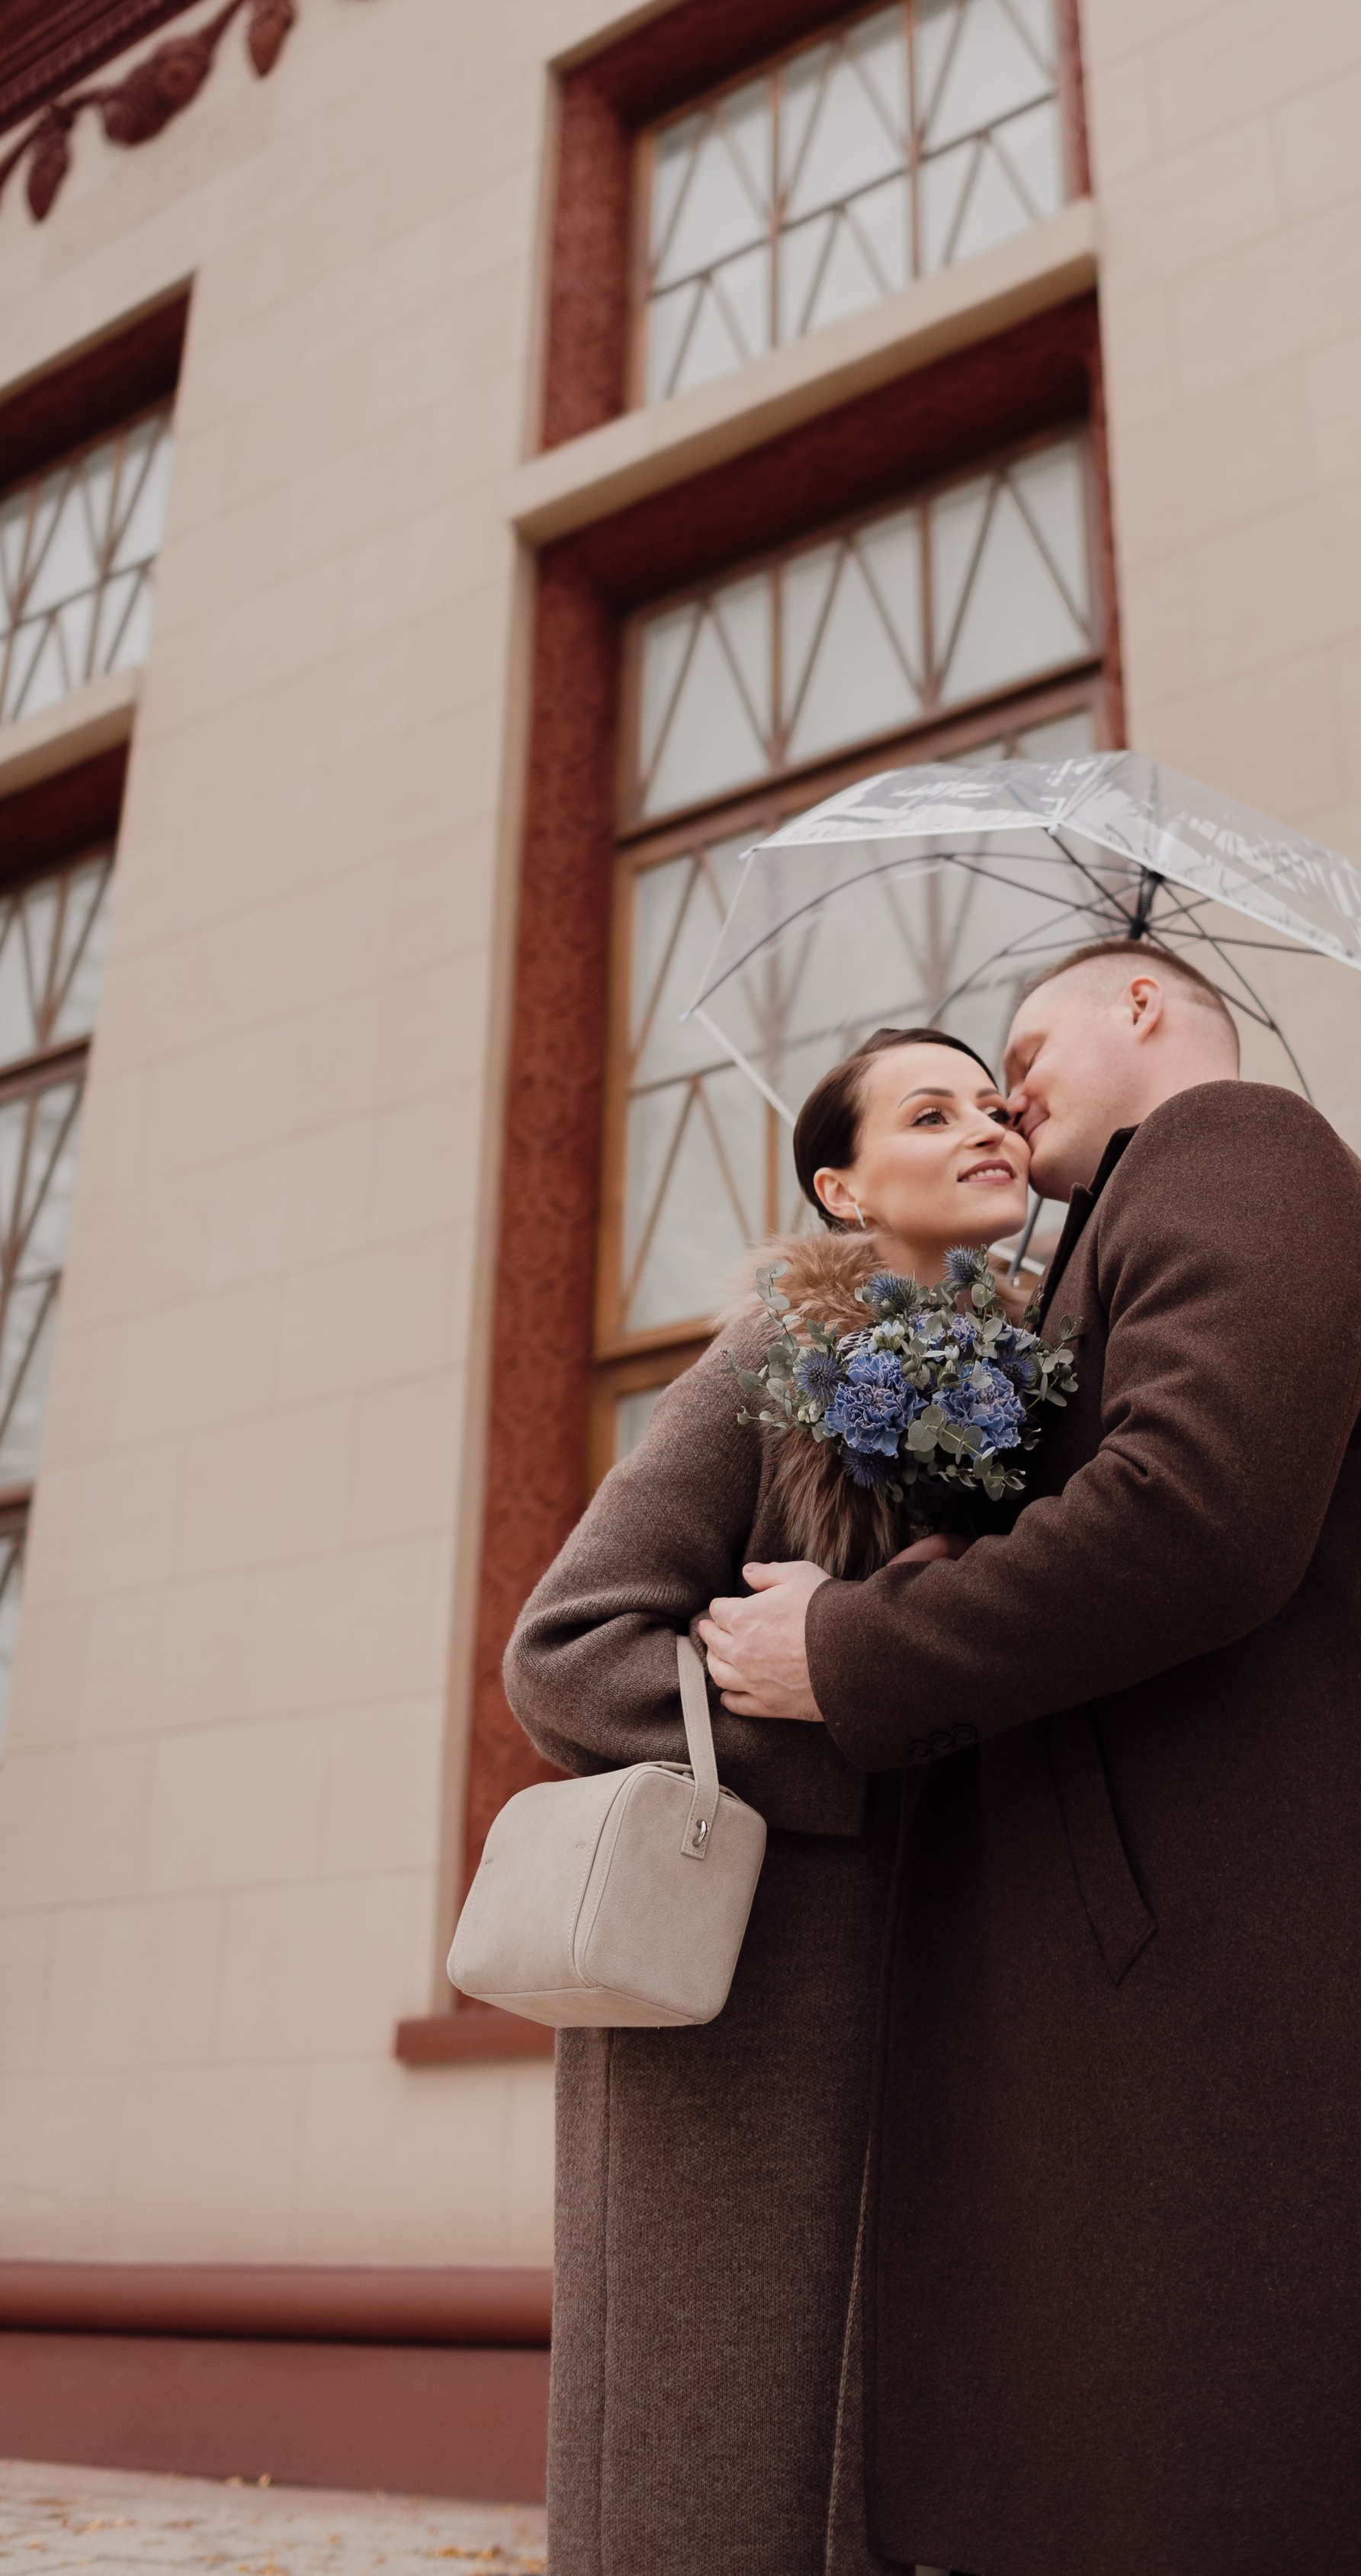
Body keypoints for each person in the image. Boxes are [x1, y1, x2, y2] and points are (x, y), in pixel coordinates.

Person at [700, 942, 1361, 2576]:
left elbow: (1185, 1514)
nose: (1007, 1095)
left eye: (1023, 1047)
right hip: (1213, 1971)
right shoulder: (1132, 1220)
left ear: (1143, 1008)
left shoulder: (1241, 1151)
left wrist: (848, 1646)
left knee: (1280, 2487)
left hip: (1258, 1980)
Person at [501, 1026, 1031, 2576]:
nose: (986, 1126)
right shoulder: (769, 1368)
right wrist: (833, 1721)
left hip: (936, 1988)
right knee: (727, 2448)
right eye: (930, 1111)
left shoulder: (1029, 1399)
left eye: (995, 1103)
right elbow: (562, 1651)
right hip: (744, 1992)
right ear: (842, 1184)